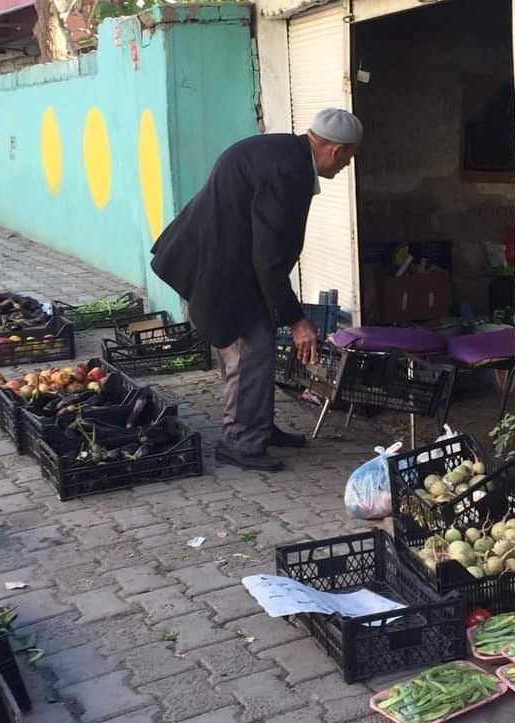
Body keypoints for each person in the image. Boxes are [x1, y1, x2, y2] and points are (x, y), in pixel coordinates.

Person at [149, 108, 363, 472]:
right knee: (249, 352)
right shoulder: (289, 171)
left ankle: (257, 426)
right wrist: (296, 320)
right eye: (348, 159)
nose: (344, 167)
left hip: (223, 260)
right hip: (222, 269)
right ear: (336, 150)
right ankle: (241, 442)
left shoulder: (283, 150)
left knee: (255, 349)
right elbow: (270, 255)